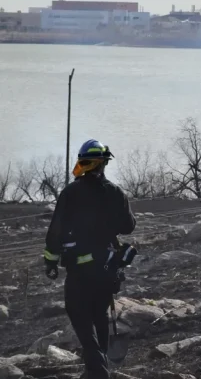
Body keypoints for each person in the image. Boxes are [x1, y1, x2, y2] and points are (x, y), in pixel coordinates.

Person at [43, 139, 136, 379]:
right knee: (99, 316)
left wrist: (50, 261)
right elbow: (128, 226)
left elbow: (55, 231)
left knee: (79, 314)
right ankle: (96, 369)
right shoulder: (115, 192)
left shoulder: (71, 192)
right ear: (103, 163)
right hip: (107, 267)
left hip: (79, 269)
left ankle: (97, 369)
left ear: (83, 162)